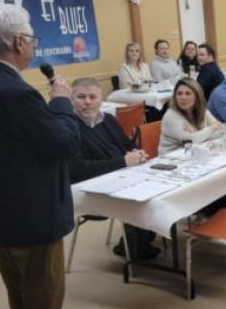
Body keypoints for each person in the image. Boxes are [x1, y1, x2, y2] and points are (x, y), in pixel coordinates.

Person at [0, 3, 87, 309]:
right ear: (17, 42)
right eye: (31, 39)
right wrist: (61, 102)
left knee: (17, 285)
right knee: (43, 289)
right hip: (31, 212)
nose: (31, 46)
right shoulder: (17, 94)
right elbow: (64, 144)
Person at [68, 77, 160, 260]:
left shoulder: (108, 119)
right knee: (138, 198)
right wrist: (124, 162)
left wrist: (135, 152)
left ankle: (139, 239)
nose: (87, 102)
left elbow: (125, 145)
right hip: (89, 187)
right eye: (81, 97)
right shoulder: (69, 127)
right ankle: (134, 247)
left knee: (156, 188)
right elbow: (77, 170)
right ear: (71, 99)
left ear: (100, 99)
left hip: (120, 174)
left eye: (92, 97)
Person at [159, 78, 223, 155]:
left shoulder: (202, 111)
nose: (183, 97)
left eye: (188, 93)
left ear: (197, 96)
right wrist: (211, 127)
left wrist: (195, 133)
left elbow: (221, 131)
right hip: (171, 160)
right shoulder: (170, 116)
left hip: (192, 155)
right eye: (179, 93)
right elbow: (190, 141)